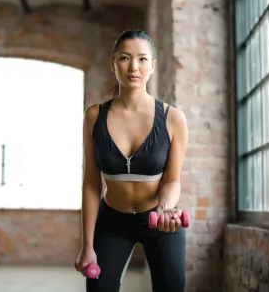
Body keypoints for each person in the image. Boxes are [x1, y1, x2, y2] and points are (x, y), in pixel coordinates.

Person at [74, 30, 188, 292]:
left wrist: (165, 209)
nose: (133, 67)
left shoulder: (173, 118)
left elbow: (172, 180)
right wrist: (87, 245)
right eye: (124, 58)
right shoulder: (94, 116)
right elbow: (91, 183)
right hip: (112, 223)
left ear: (152, 66)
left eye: (142, 59)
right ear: (113, 63)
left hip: (160, 224)